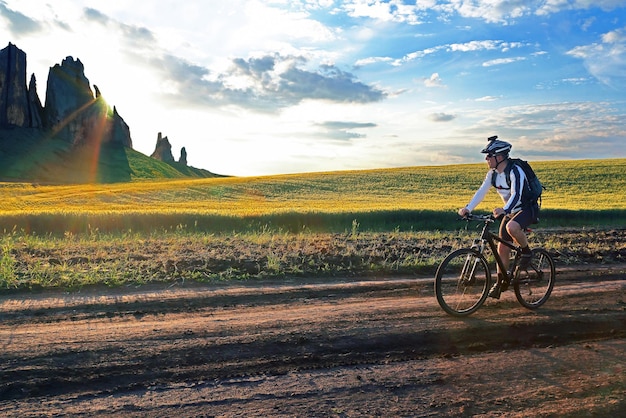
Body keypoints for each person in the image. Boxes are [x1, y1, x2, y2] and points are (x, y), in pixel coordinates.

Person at [457, 136, 534, 299]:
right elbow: (481, 192)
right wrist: (468, 208)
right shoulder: (492, 174)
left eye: (489, 155)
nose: (486, 159)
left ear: (499, 157)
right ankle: (501, 282)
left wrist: (505, 209)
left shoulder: (515, 171)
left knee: (511, 227)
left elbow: (517, 194)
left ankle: (527, 252)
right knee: (502, 247)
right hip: (510, 211)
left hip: (527, 209)